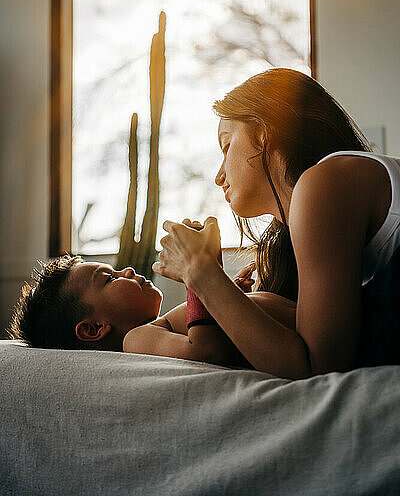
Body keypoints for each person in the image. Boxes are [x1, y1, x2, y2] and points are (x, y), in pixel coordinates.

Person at [152, 68, 400, 379]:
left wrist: (199, 271)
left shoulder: (326, 182)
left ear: (262, 133)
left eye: (226, 146)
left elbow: (316, 368)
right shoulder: (314, 212)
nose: (219, 177)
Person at [7, 251, 295, 369]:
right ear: (95, 328)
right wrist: (198, 276)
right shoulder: (137, 339)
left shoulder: (161, 329)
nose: (128, 270)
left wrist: (227, 295)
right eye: (109, 279)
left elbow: (212, 332)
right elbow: (205, 352)